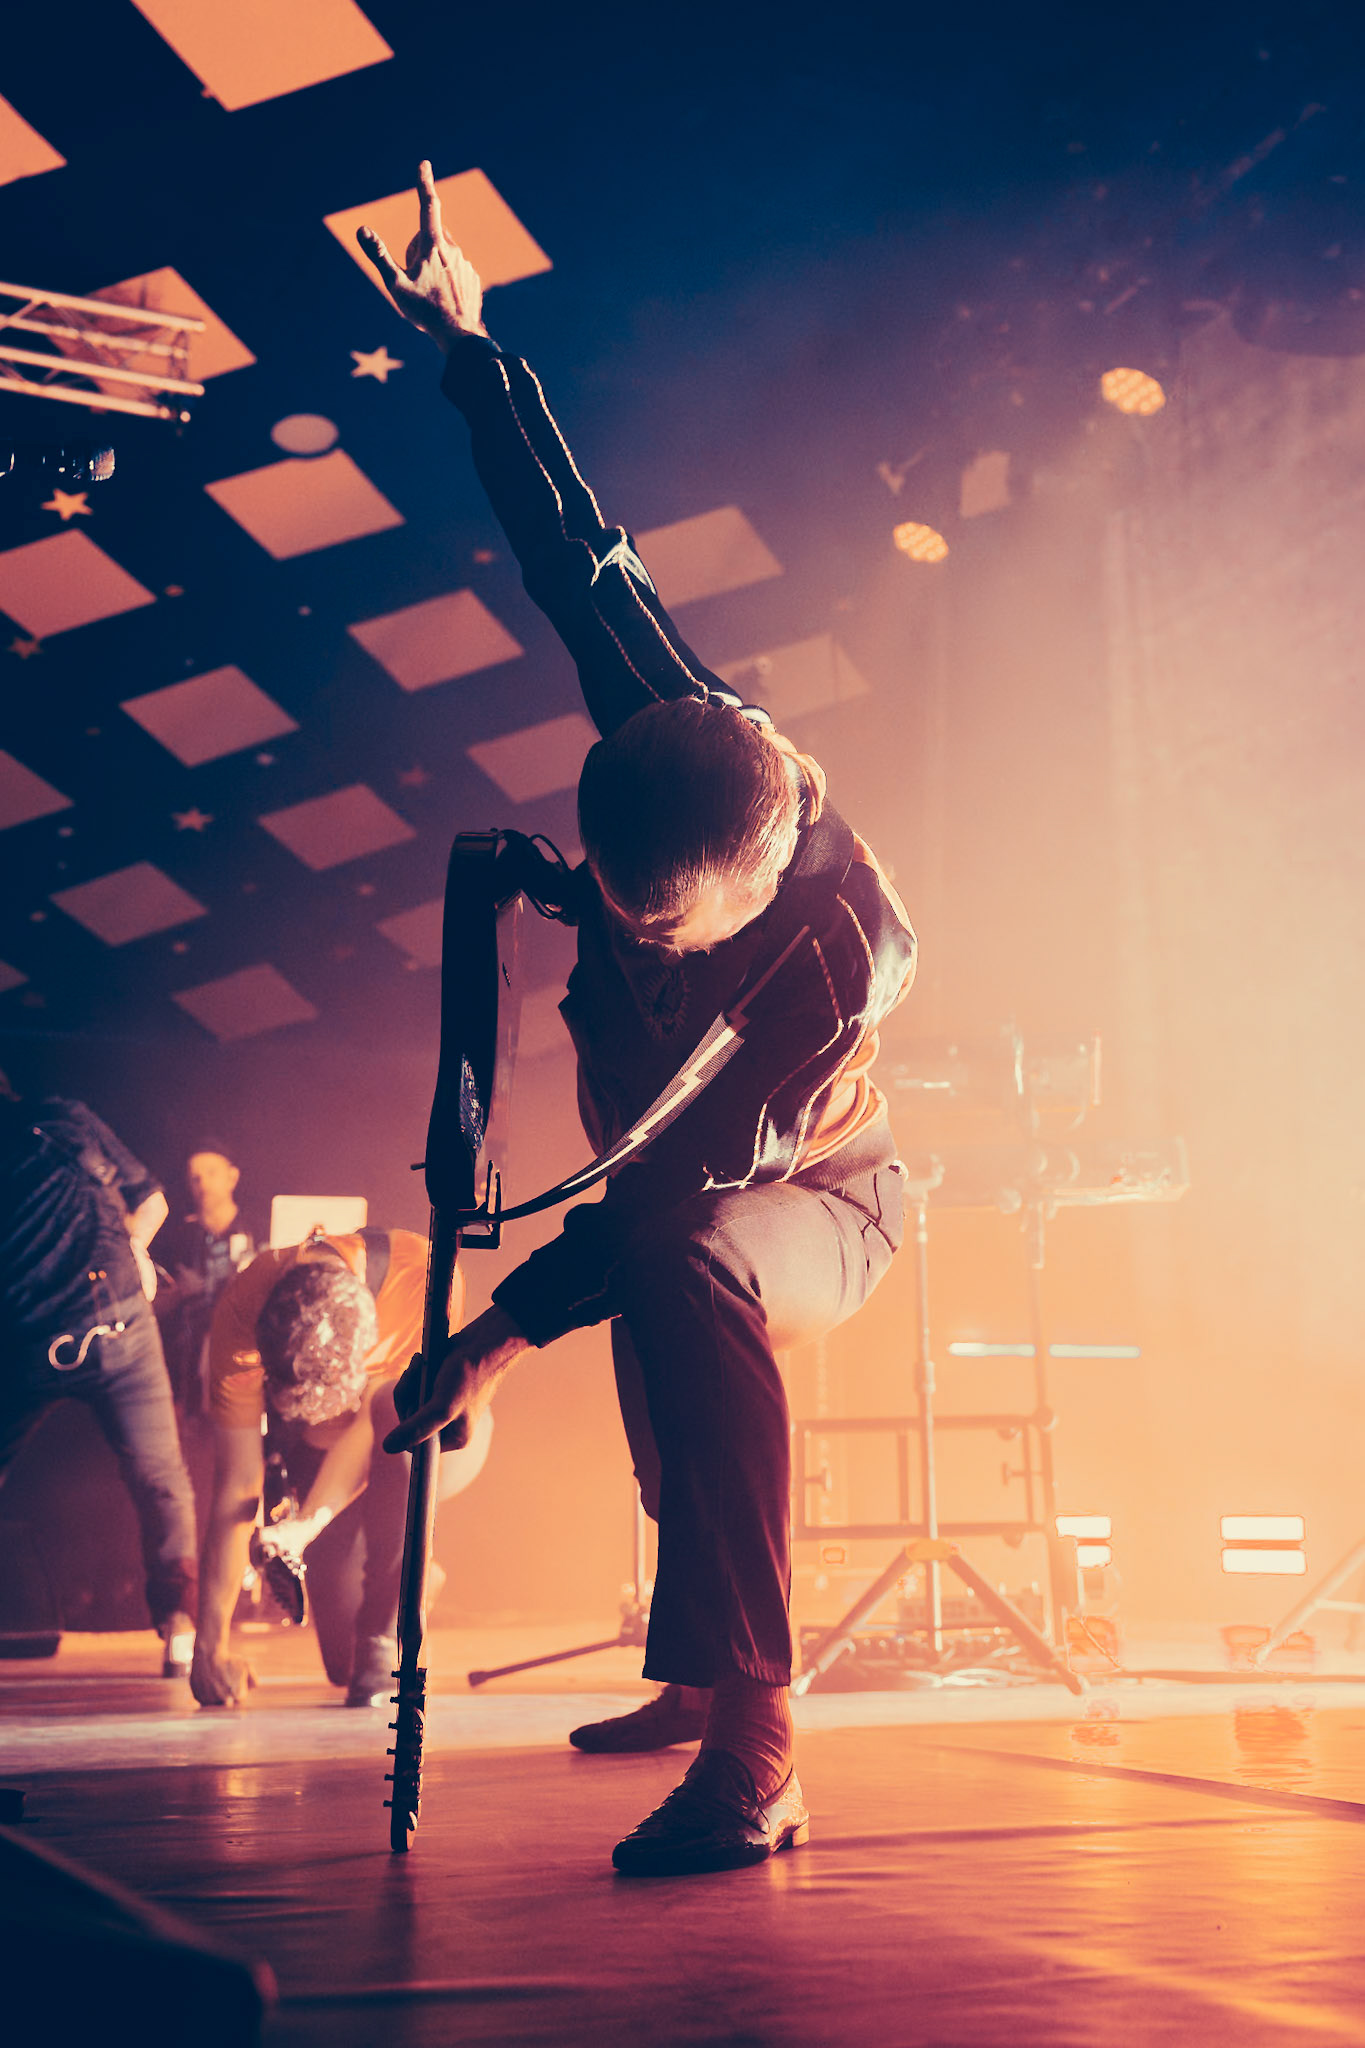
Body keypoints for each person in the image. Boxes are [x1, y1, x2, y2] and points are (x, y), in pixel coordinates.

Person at [359, 166, 917, 1876]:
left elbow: (665, 1194)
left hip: (827, 1201)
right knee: (669, 1340)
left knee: (682, 1262)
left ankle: (758, 1742)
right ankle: (694, 1687)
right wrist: (472, 343)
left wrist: (488, 1337)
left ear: (756, 883)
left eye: (653, 926)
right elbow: (565, 533)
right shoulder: (676, 722)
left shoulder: (846, 961)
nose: (620, 935)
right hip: (669, 1181)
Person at [190, 1226, 490, 1709]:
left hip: (428, 1442)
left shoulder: (426, 1277)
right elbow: (237, 1483)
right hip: (330, 1458)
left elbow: (377, 1432)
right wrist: (210, 1648)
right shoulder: (242, 1308)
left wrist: (304, 1525)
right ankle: (412, 1586)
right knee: (343, 1667)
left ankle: (384, 1629)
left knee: (394, 1413)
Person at [0, 1073, 198, 1673]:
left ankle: (181, 1630)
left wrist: (133, 1249)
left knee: (161, 1478)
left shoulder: (65, 1117)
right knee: (161, 1481)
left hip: (122, 1335)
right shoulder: (59, 1119)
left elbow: (150, 1198)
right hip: (31, 1352)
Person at [156, 1141, 261, 1415]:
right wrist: (179, 1292)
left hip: (246, 1363)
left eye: (212, 1173)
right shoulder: (176, 1238)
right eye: (195, 1177)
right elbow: (151, 1306)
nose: (203, 1183)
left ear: (232, 1177)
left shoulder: (259, 1230)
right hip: (187, 1370)